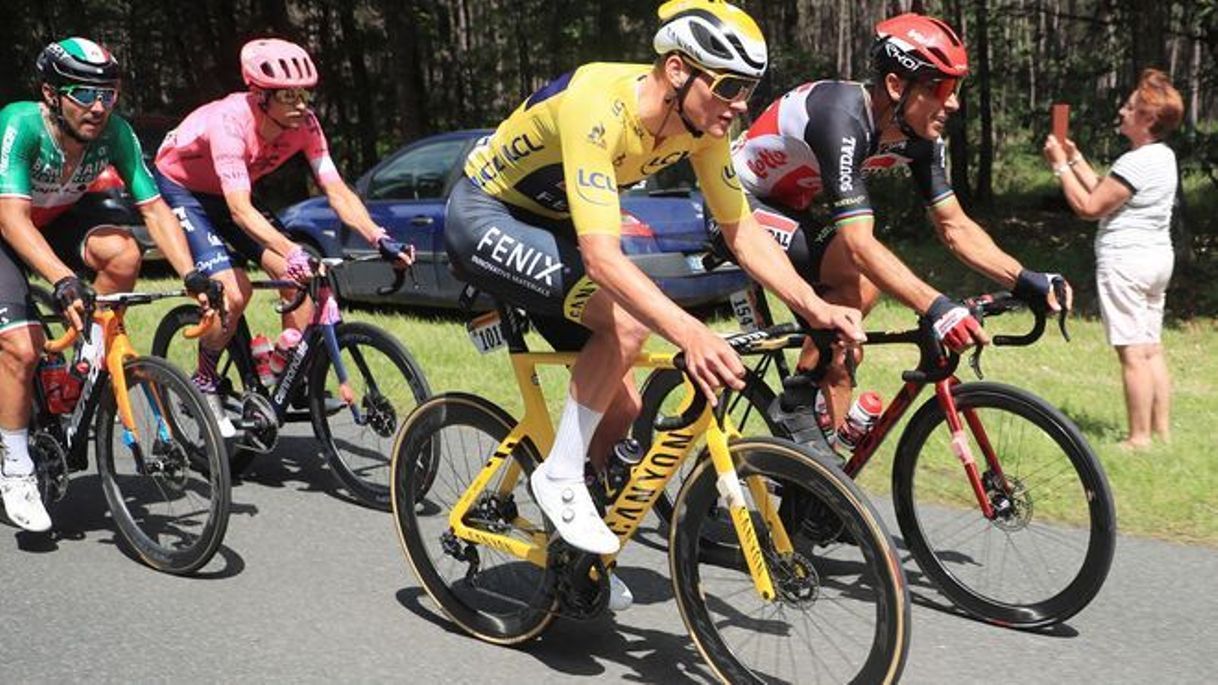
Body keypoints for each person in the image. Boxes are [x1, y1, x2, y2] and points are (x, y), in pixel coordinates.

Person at [444, 0, 864, 610]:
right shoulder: (600, 105)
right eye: (728, 86)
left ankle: (572, 549)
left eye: (749, 88)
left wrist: (812, 306)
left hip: (551, 226)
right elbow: (603, 263)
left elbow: (742, 232)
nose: (740, 103)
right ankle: (558, 474)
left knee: (624, 407)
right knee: (630, 324)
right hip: (485, 216)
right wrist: (692, 334)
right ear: (676, 71)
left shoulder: (701, 130)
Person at [723, 12, 1071, 429]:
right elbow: (858, 244)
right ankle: (799, 406)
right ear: (894, 85)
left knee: (844, 346)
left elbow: (955, 227)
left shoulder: (920, 139)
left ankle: (821, 469)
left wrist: (1025, 279)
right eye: (939, 87)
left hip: (790, 205)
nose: (954, 102)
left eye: (956, 88)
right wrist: (939, 308)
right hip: (738, 204)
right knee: (859, 279)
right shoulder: (841, 119)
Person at [0, 38, 220, 532]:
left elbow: (155, 209)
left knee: (124, 251)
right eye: (84, 93)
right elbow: (12, 221)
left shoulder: (115, 133)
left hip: (53, 216)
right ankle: (14, 467)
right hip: (6, 224)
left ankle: (90, 355)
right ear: (51, 94)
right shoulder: (21, 124)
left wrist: (193, 274)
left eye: (109, 94)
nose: (98, 107)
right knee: (21, 346)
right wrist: (61, 279)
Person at [153, 38, 415, 436]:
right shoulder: (230, 122)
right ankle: (205, 379)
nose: (301, 105)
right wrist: (292, 250)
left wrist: (379, 238)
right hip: (184, 191)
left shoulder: (305, 125)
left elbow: (337, 191)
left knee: (303, 277)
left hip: (230, 193)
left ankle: (287, 364)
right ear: (260, 97)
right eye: (288, 96)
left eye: (304, 94)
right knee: (235, 293)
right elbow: (240, 211)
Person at [1043, 68, 1183, 449]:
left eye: (1130, 107)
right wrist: (1075, 160)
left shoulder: (1135, 162)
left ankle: (1138, 438)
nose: (1122, 111)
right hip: (1156, 261)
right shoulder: (1161, 157)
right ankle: (1161, 432)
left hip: (1126, 263)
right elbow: (1108, 192)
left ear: (1148, 119)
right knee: (1151, 346)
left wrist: (1058, 166)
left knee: (1132, 353)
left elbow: (1089, 206)